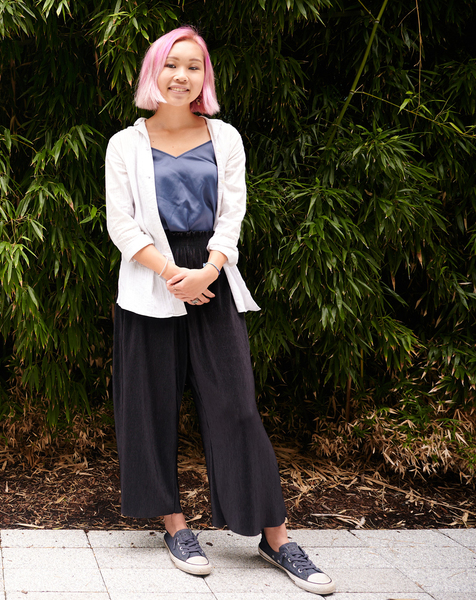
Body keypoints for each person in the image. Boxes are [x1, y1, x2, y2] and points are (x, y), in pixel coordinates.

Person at [105, 26, 335, 596]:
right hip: (150, 276)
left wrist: (207, 270)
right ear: (152, 73)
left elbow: (233, 213)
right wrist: (169, 275)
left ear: (205, 77)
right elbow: (121, 222)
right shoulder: (124, 144)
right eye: (171, 65)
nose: (181, 76)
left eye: (193, 66)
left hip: (211, 274)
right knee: (149, 403)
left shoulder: (225, 136)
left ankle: (274, 535)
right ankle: (174, 525)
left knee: (236, 404)